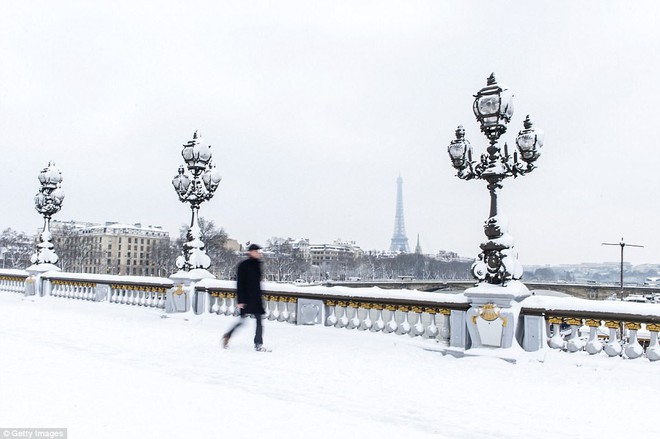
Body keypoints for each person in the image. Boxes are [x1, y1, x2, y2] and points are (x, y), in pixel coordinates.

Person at [222, 243, 269, 352]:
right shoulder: (243, 265)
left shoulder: (258, 264)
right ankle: (228, 335)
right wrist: (240, 300)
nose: (258, 253)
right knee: (243, 321)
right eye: (256, 251)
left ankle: (258, 344)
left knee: (258, 321)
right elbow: (240, 284)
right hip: (247, 299)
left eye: (258, 251)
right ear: (251, 252)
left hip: (256, 298)